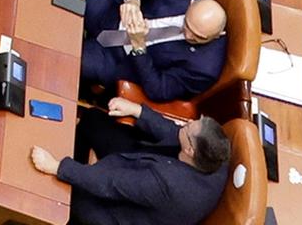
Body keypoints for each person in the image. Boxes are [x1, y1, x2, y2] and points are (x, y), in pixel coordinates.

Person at [27, 95, 231, 225]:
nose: (189, 123)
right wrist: (137, 111)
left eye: (190, 127)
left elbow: (111, 182)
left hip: (120, 211)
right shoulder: (217, 151)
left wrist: (57, 167)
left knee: (68, 193)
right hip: (146, 161)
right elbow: (175, 131)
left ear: (189, 150)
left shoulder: (168, 185)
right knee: (93, 120)